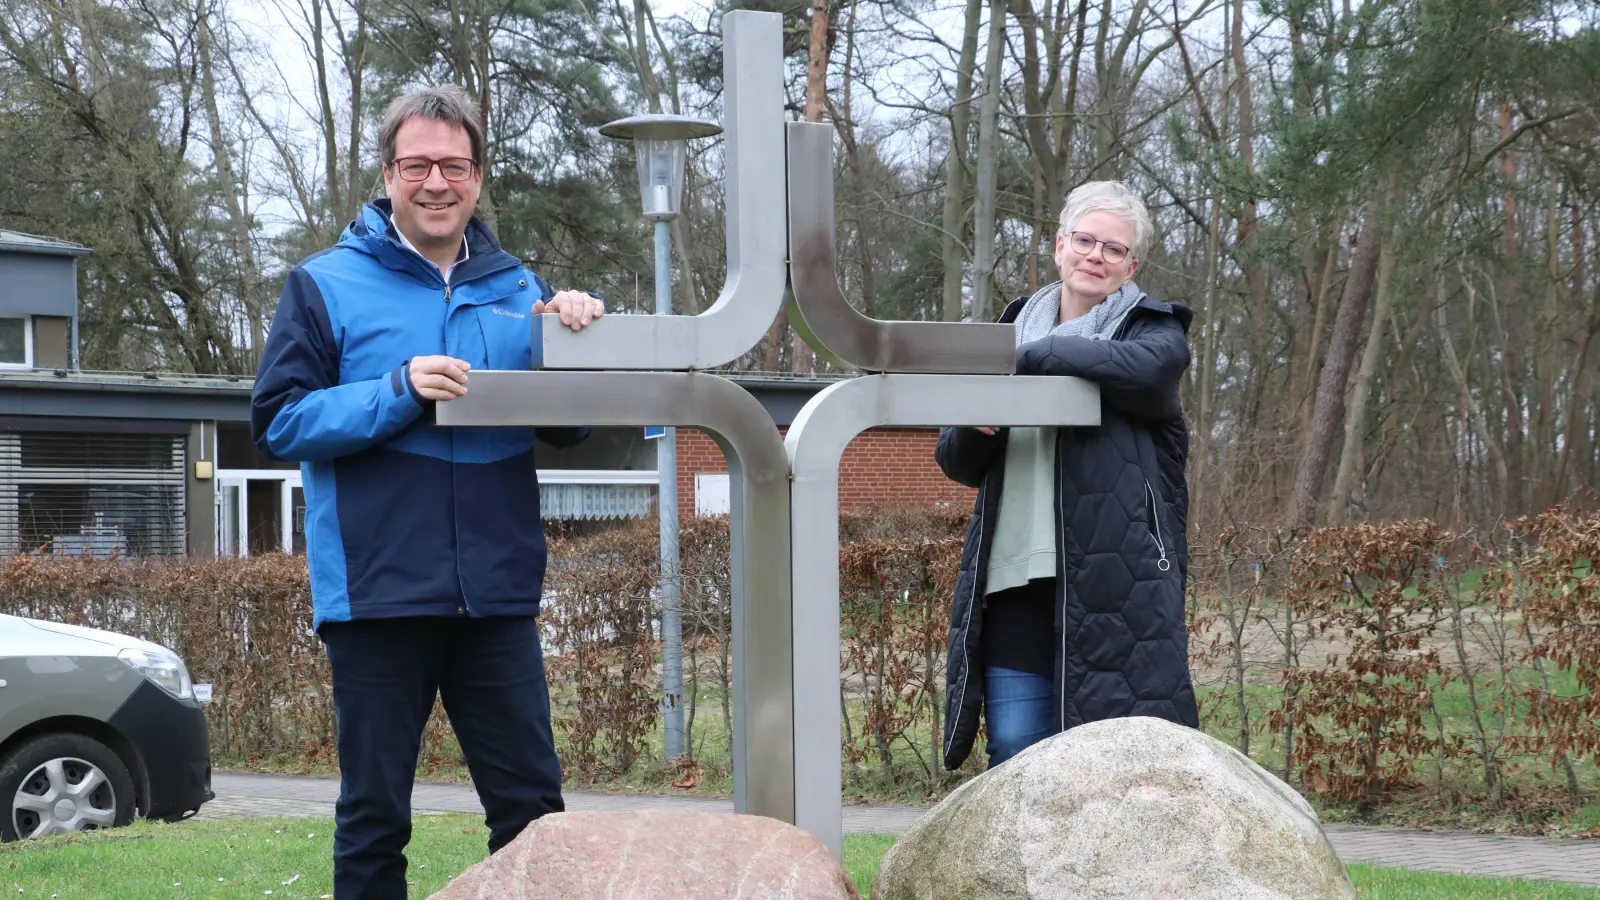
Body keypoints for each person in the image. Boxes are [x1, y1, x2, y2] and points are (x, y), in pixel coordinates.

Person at [250, 85, 605, 899]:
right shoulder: (323, 284)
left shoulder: (521, 288)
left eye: (453, 165)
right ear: (387, 173)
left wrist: (577, 337)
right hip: (376, 598)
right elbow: (280, 421)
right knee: (375, 817)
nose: (435, 183)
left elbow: (576, 429)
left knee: (534, 817)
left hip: (497, 600)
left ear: (479, 177)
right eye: (417, 166)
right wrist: (399, 388)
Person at [936, 180, 1200, 772]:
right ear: (1059, 246)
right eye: (1085, 240)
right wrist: (971, 426)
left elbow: (1145, 370)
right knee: (1017, 761)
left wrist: (1023, 363)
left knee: (1113, 776)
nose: (1095, 257)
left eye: (1113, 250)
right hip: (1013, 585)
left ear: (1131, 266)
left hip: (1117, 587)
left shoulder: (1152, 332)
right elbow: (957, 464)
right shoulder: (1008, 329)